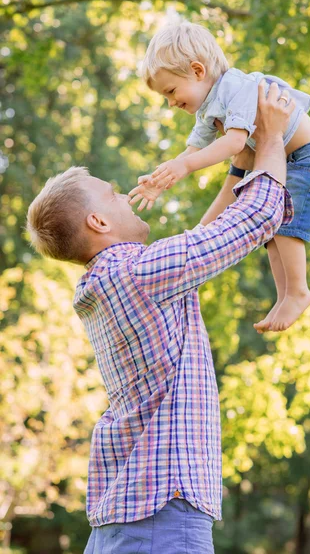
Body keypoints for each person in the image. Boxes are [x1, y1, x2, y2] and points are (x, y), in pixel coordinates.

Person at [26, 83, 294, 554]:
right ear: (98, 223)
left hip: (128, 522)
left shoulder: (112, 281)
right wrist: (271, 139)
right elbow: (257, 218)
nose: (125, 195)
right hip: (161, 520)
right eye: (112, 195)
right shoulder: (138, 272)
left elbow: (203, 238)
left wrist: (238, 166)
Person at [136, 21, 310, 333]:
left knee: (288, 229)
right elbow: (192, 151)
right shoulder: (208, 106)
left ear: (197, 70)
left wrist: (186, 167)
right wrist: (162, 178)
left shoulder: (237, 87)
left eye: (171, 91)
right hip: (289, 159)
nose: (171, 103)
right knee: (272, 230)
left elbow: (235, 143)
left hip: (309, 157)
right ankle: (285, 294)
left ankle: (298, 291)